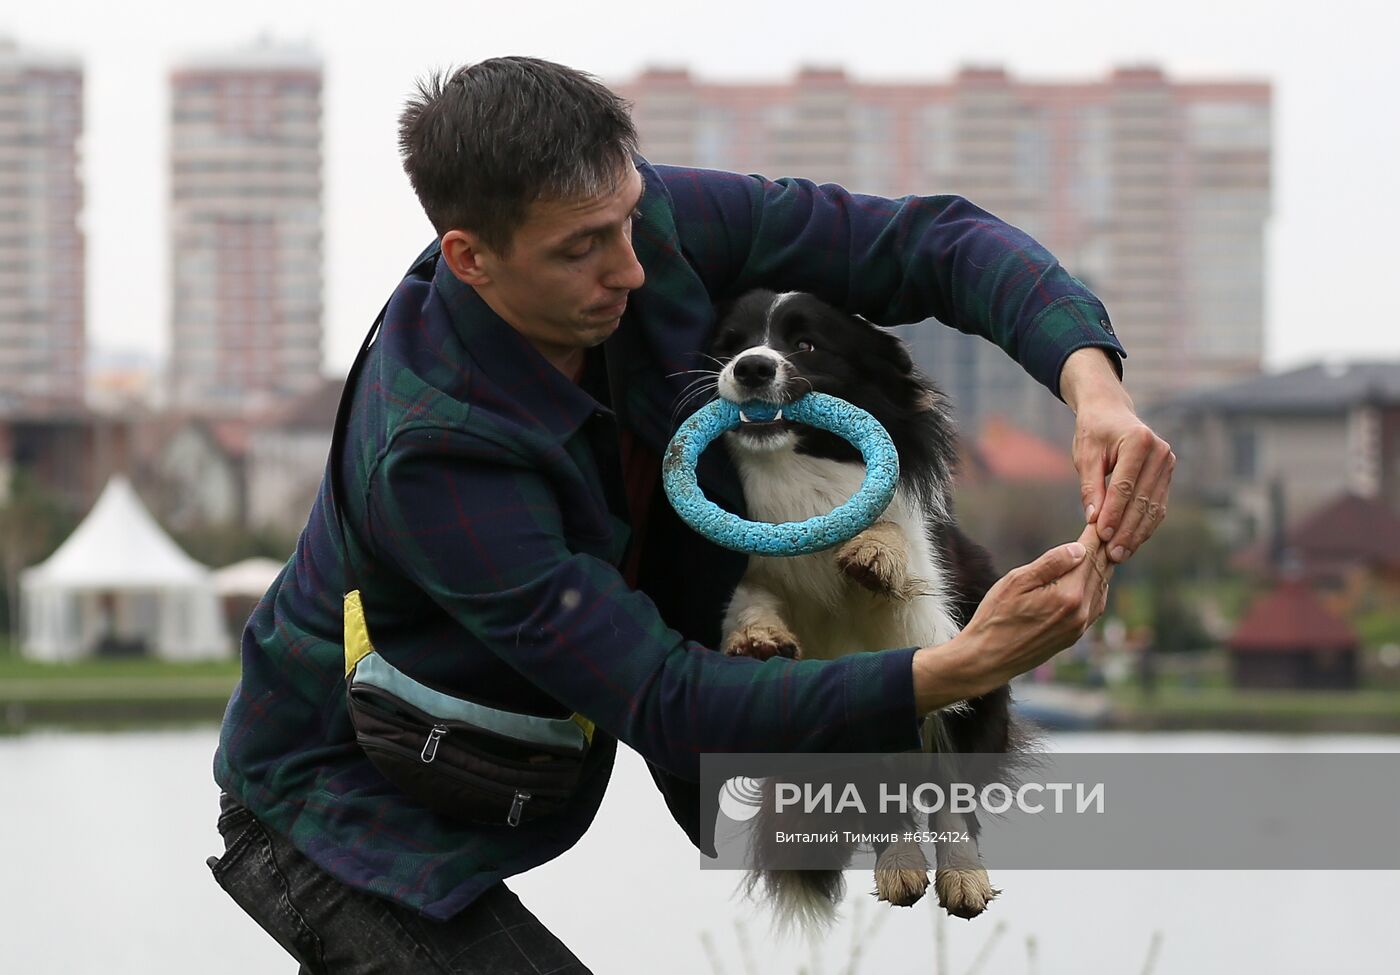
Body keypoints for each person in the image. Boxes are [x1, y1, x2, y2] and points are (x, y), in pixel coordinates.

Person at [208, 56, 1173, 972]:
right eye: (580, 249)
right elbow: (664, 695)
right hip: (331, 807)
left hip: (497, 764)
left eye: (626, 219)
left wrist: (1094, 389)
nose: (630, 268)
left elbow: (928, 240)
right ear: (471, 258)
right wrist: (959, 666)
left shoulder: (650, 224)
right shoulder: (435, 454)